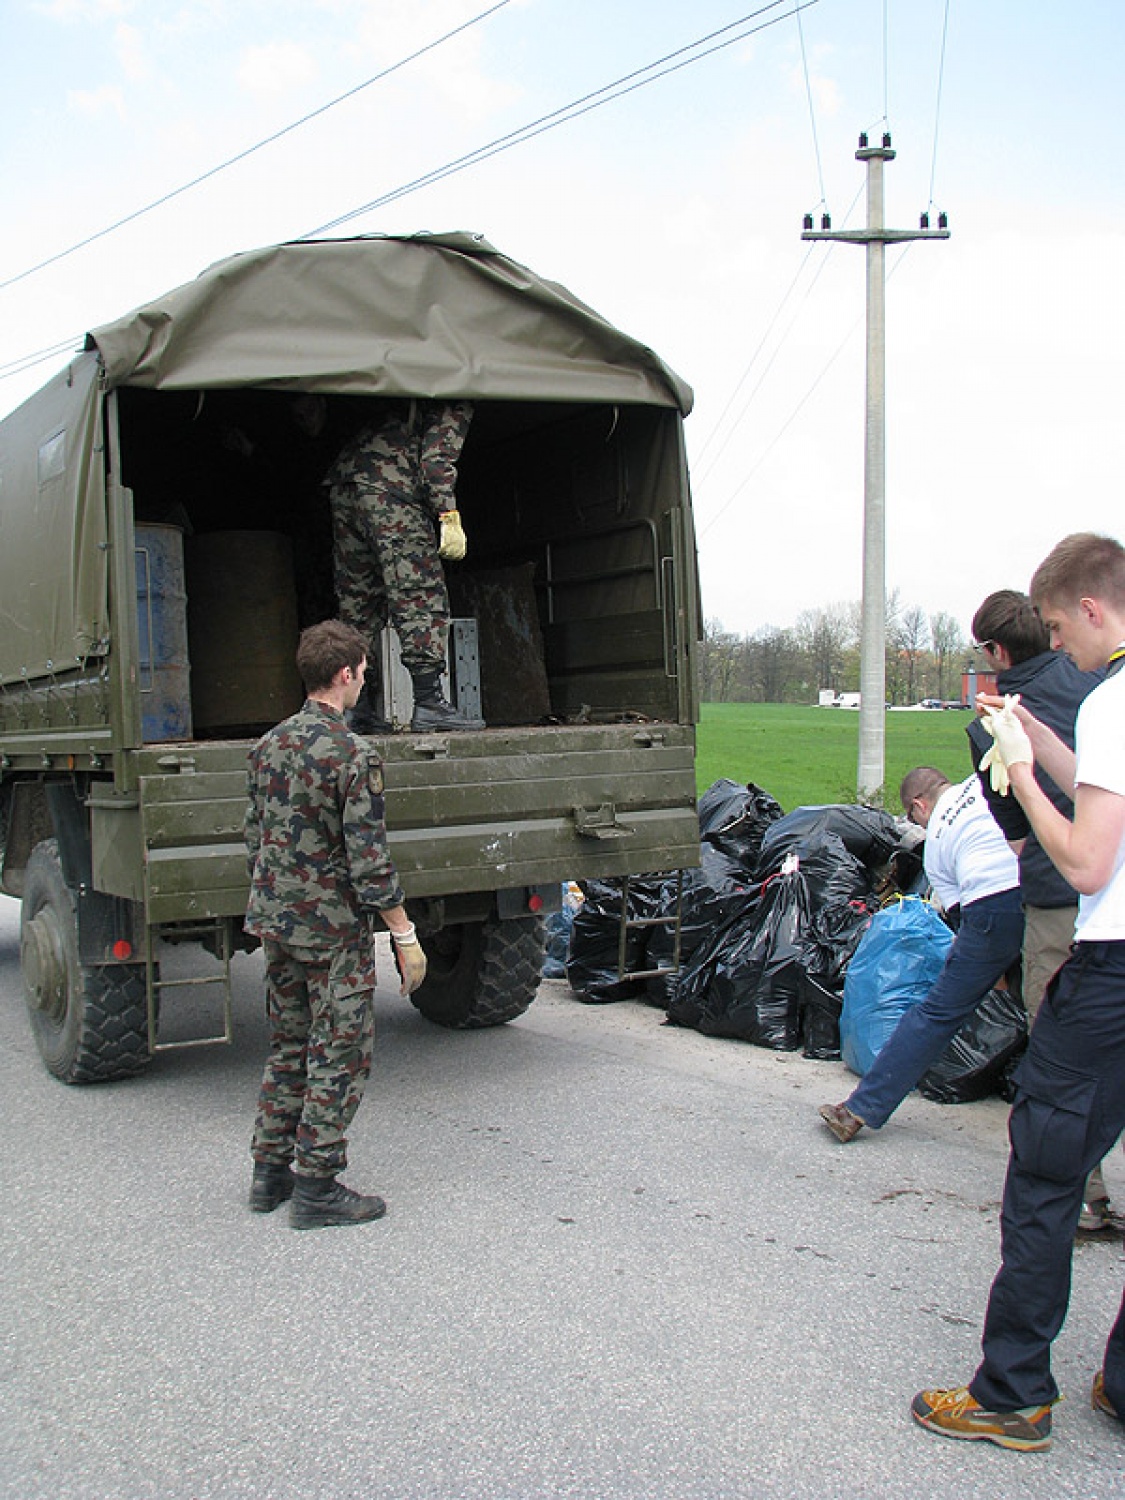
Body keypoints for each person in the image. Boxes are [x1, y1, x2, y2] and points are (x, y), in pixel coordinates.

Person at [913, 532, 1125, 1451]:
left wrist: (1027, 793)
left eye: (1054, 625)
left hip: (1110, 971)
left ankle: (1011, 1394)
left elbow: (1084, 861)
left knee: (1043, 1171)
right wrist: (1040, 740)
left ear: (1087, 608)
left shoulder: (1117, 697)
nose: (1056, 648)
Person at [245, 619, 427, 1230]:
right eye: (365, 673)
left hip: (277, 922)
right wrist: (404, 935)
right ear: (345, 674)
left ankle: (269, 1172)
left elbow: (258, 843)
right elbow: (370, 866)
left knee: (289, 1046)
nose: (365, 682)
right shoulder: (354, 755)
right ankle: (317, 1186)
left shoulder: (267, 746)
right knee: (339, 1051)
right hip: (331, 933)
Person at [964, 589, 1113, 1233]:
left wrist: (1024, 775)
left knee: (1060, 1059)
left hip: (1064, 894)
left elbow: (1018, 832)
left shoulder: (991, 723)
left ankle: (1085, 1196)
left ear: (997, 651)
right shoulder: (1096, 682)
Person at [818, 768, 1024, 1143]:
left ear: (919, 806)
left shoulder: (940, 841)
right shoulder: (982, 783)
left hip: (990, 906)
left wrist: (995, 975)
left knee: (936, 1014)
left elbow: (963, 919)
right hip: (1043, 889)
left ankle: (861, 1108)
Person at [324, 397, 484, 734]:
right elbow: (436, 460)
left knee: (358, 601)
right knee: (418, 593)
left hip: (345, 485)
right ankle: (429, 703)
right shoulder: (456, 393)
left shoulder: (404, 384)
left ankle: (358, 707)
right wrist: (447, 512)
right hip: (391, 491)